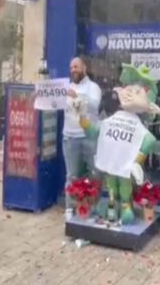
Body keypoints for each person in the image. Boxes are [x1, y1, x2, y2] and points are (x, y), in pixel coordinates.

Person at [63, 57, 102, 215]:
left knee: (94, 175)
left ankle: (93, 209)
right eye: (71, 67)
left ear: (84, 68)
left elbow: (94, 105)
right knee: (72, 176)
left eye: (76, 67)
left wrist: (76, 96)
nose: (73, 70)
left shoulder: (93, 87)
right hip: (70, 137)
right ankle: (70, 209)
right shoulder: (65, 88)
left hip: (89, 137)